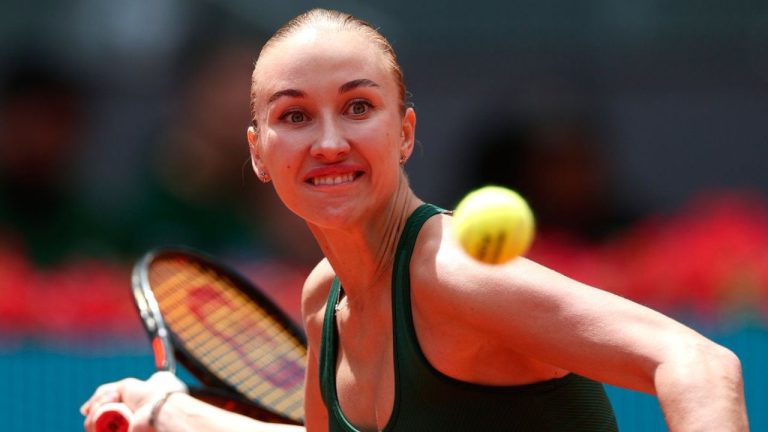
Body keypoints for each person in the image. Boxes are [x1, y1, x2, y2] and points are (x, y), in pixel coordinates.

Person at [81, 8, 749, 431]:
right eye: (293, 116)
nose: (329, 141)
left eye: (358, 107)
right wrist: (170, 411)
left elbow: (696, 362)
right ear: (258, 153)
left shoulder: (453, 273)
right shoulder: (324, 301)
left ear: (404, 134)